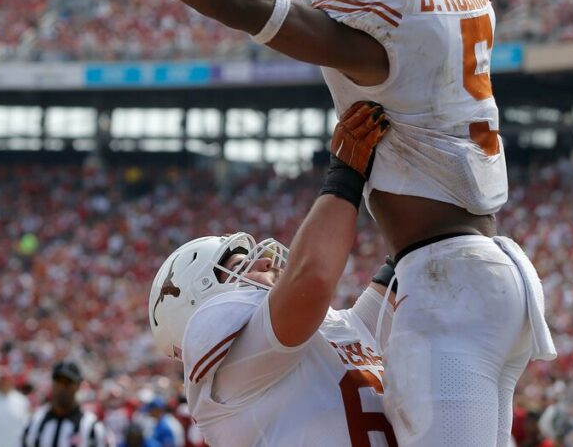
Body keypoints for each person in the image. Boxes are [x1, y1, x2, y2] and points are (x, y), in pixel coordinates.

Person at [31, 0, 556, 445]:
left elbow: (249, 4)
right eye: (234, 262)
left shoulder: (391, 29)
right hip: (471, 273)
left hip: (447, 278)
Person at [148, 101, 397, 446]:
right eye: (237, 266)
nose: (263, 261)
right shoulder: (230, 373)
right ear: (200, 304)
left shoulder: (340, 326)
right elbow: (312, 278)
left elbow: (404, 266)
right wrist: (346, 173)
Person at [19, 361, 111, 447]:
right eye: (59, 381)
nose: (62, 387)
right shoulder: (34, 422)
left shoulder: (91, 427)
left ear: (78, 386)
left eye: (68, 383)